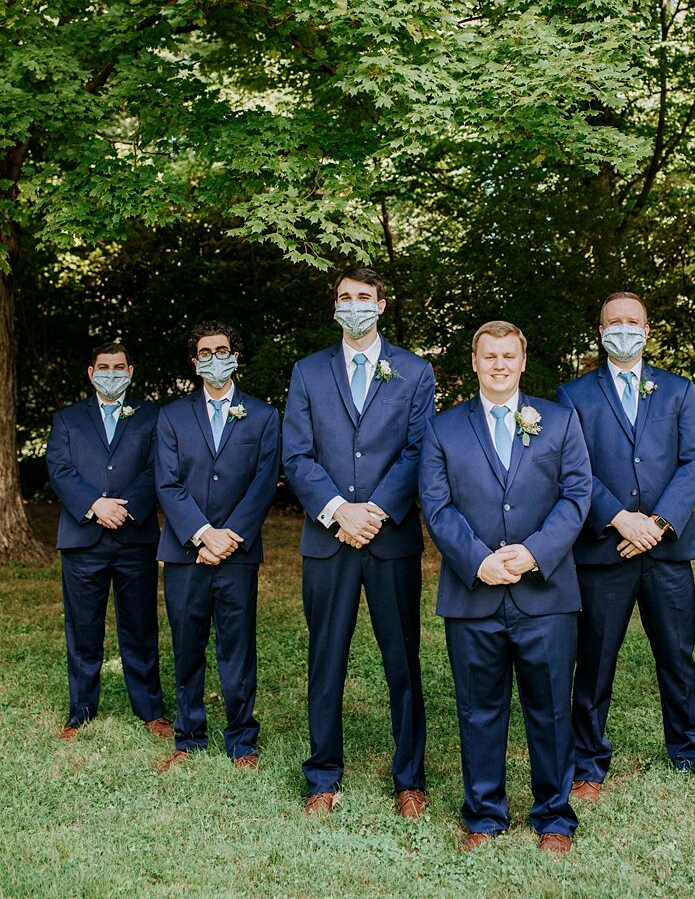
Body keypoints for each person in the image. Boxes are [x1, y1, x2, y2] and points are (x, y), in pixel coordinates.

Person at [421, 320, 591, 856]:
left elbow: (577, 493)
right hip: (473, 595)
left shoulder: (560, 422)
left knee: (552, 710)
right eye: (489, 355)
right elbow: (437, 506)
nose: (499, 364)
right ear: (474, 362)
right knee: (478, 709)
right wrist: (478, 561)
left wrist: (536, 552)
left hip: (546, 594)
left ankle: (554, 818)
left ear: (522, 361)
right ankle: (485, 814)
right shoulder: (442, 429)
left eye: (508, 356)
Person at [558, 291, 695, 801]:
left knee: (677, 655)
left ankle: (690, 752)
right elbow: (574, 470)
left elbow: (694, 462)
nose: (624, 329)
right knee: (595, 661)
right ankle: (587, 763)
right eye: (615, 322)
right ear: (601, 330)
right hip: (605, 552)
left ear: (647, 331)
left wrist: (657, 522)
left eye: (633, 322)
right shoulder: (574, 396)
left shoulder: (677, 391)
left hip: (666, 549)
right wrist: (619, 520)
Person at [282, 267, 435, 818]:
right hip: (328, 539)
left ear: (382, 305)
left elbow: (419, 450)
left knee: (403, 662)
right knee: (326, 659)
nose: (354, 305)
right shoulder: (307, 372)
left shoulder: (415, 372)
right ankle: (323, 775)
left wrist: (373, 511)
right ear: (335, 306)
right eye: (345, 297)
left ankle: (409, 778)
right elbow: (297, 454)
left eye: (363, 297)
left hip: (389, 538)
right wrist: (336, 512)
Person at [154, 322, 279, 770]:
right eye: (205, 352)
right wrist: (203, 534)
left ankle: (242, 739)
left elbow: (263, 484)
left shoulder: (263, 416)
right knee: (188, 646)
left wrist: (229, 537)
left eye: (222, 350)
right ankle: (188, 738)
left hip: (239, 553)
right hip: (185, 552)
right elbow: (166, 483)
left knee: (238, 647)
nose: (214, 358)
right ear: (195, 361)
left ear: (235, 355)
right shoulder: (171, 416)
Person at [45, 341, 170, 740]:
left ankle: (150, 710)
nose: (111, 372)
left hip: (135, 538)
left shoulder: (152, 416)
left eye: (119, 367)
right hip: (83, 539)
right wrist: (96, 505)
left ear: (130, 372)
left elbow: (159, 468)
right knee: (83, 629)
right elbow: (60, 470)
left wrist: (124, 507)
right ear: (91, 372)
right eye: (104, 366)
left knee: (140, 626)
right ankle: (80, 711)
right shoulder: (67, 419)